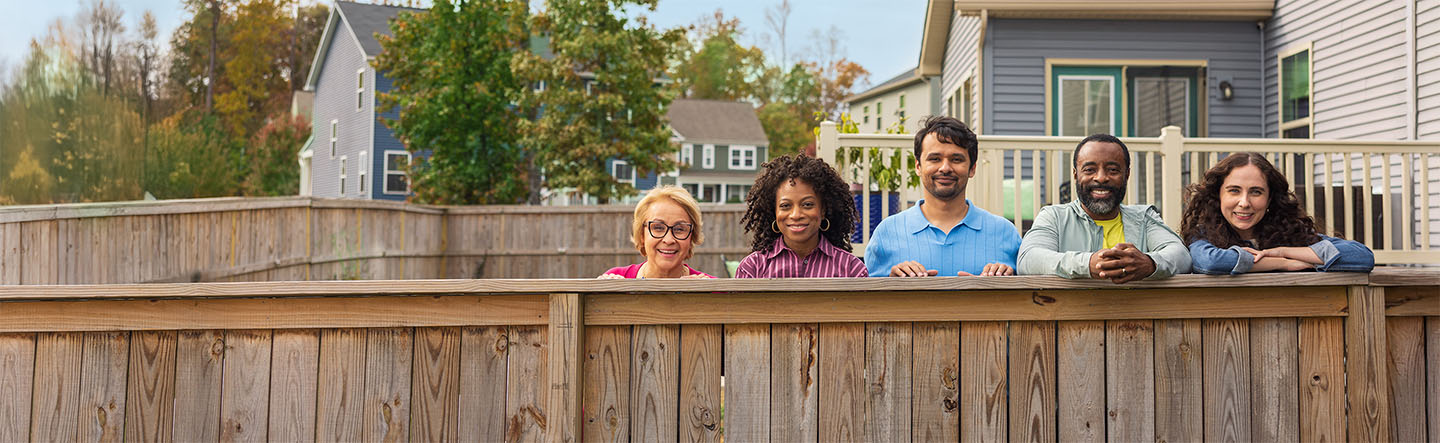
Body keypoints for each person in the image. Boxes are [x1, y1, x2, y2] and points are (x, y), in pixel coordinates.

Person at [1017, 134, 1190, 283]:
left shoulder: (1144, 217)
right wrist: (1087, 264)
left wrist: (1150, 263)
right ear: (1076, 174)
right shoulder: (1054, 217)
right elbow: (1028, 259)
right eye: (1089, 170)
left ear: (1127, 174)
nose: (1101, 178)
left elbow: (1181, 255)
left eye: (1113, 170)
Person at [864, 116, 1020, 277]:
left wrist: (1001, 286)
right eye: (935, 159)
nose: (945, 168)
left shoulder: (1005, 233)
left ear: (972, 168)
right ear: (918, 166)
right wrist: (892, 284)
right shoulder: (887, 233)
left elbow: (1028, 291)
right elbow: (866, 293)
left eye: (956, 159)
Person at [1181, 152, 1374, 274]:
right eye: (1234, 191)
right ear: (1218, 195)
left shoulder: (1290, 235)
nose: (1244, 203)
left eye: (1256, 192)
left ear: (1270, 198)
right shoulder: (1203, 235)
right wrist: (1281, 263)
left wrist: (1283, 251)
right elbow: (1210, 262)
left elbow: (1361, 257)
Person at [735, 154, 867, 278]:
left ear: (823, 210)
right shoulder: (752, 268)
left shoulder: (852, 269)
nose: (796, 215)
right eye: (785, 205)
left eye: (807, 204)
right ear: (774, 212)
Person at [599, 185, 715, 279]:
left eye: (679, 229)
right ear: (641, 234)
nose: (668, 240)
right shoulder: (616, 280)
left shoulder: (713, 291)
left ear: (692, 236)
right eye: (658, 228)